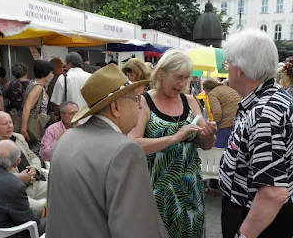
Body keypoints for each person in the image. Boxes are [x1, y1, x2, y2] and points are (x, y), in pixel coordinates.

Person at [46, 64, 168, 238]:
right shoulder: (125, 150)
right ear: (116, 107)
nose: (140, 105)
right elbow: (137, 227)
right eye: (136, 99)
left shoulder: (66, 138)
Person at [128, 49, 217, 238]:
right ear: (160, 73)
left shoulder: (190, 101)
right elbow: (132, 143)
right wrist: (174, 138)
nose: (183, 84)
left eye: (186, 78)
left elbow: (206, 144)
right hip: (158, 190)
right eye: (178, 77)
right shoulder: (144, 102)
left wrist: (209, 134)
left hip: (190, 189)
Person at [219, 29, 293, 238]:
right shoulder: (272, 100)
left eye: (228, 64)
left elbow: (272, 194)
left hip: (256, 219)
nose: (227, 70)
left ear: (240, 69)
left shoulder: (264, 114)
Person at [0, 140, 46, 238]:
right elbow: (30, 220)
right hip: (3, 234)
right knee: (50, 223)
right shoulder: (14, 185)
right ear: (17, 163)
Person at [0, 111, 47, 201]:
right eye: (5, 123)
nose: (10, 126)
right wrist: (19, 177)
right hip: (9, 190)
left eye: (11, 122)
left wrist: (34, 169)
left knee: (59, 188)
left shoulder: (19, 137)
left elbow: (32, 156)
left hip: (33, 184)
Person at [21, 60, 53, 155]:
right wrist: (24, 128)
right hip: (34, 126)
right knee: (34, 152)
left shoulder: (33, 83)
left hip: (34, 124)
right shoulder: (38, 87)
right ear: (45, 73)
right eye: (51, 72)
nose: (52, 75)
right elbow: (27, 107)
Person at [50, 52, 91, 120]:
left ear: (69, 64)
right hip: (88, 118)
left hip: (70, 120)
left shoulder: (63, 78)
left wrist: (58, 115)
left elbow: (57, 104)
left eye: (65, 64)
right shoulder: (90, 77)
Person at [202, 79, 242, 148]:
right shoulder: (226, 88)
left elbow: (217, 112)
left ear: (206, 88)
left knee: (219, 149)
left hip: (226, 124)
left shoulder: (212, 93)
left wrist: (214, 126)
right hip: (239, 122)